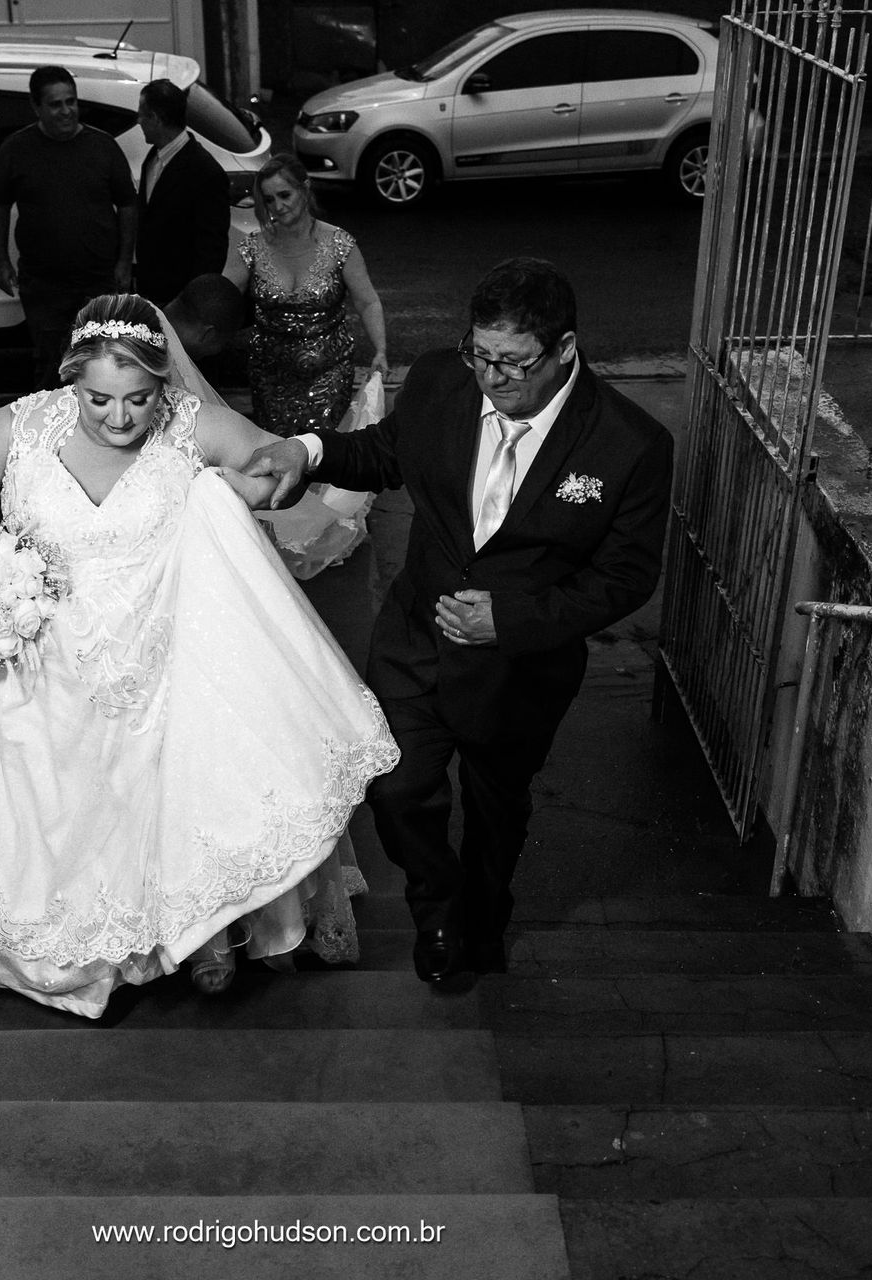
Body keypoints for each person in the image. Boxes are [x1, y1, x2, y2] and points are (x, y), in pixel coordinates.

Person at [0, 293, 397, 1018]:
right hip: (43, 669)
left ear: (163, 384)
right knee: (56, 814)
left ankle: (190, 936)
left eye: (138, 399)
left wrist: (231, 487)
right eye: (98, 399)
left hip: (161, 656)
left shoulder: (193, 427)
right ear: (69, 379)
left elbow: (275, 469)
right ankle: (71, 946)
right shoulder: (15, 430)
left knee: (172, 805)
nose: (119, 418)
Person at [244, 258, 674, 984]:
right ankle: (438, 913)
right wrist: (309, 451)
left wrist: (513, 620)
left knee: (496, 809)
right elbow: (389, 452)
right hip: (415, 639)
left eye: (513, 363)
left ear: (565, 349)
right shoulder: (446, 378)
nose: (492, 377)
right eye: (482, 355)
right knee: (396, 788)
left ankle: (484, 915)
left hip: (521, 672)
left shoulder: (630, 446)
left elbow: (628, 576)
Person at [0, 66, 138, 390]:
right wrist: (0, 260)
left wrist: (124, 261)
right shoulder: (17, 149)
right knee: (51, 364)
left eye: (71, 101)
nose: (66, 111)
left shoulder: (103, 146)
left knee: (104, 360)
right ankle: (50, 433)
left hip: (98, 280)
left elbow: (127, 204)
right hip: (44, 286)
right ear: (36, 107)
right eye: (56, 104)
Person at [222, 155, 387, 437]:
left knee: (323, 452)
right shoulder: (253, 246)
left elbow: (367, 301)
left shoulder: (339, 243)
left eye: (285, 195)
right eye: (269, 199)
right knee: (276, 450)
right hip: (270, 375)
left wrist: (381, 350)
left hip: (329, 373)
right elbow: (221, 295)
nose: (278, 206)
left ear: (305, 188)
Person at [134, 79, 231, 311]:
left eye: (142, 115)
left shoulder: (205, 172)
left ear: (156, 119)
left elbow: (212, 249)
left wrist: (190, 303)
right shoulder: (154, 158)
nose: (138, 121)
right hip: (151, 294)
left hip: (179, 301)